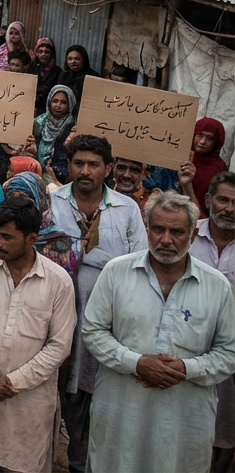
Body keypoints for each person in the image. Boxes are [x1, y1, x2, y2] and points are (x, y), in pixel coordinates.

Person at [83, 192, 235, 473]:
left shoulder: (217, 286)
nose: (166, 240)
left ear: (193, 235)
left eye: (176, 231)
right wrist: (137, 363)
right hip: (120, 410)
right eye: (158, 229)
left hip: (184, 420)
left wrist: (186, 368)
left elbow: (229, 352)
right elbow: (93, 331)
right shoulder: (116, 272)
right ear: (146, 229)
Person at [0, 196, 77, 473]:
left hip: (28, 401)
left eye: (7, 237)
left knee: (24, 461)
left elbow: (59, 346)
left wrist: (12, 382)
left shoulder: (58, 281)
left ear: (32, 237)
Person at [48, 134, 147, 471]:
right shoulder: (53, 202)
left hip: (110, 316)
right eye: (79, 163)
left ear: (108, 169)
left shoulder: (127, 208)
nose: (85, 171)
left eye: (94, 164)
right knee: (63, 387)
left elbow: (139, 262)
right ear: (69, 165)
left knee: (102, 389)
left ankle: (98, 461)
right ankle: (65, 457)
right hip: (59, 313)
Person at [190, 173, 235, 472]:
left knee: (226, 425)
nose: (230, 208)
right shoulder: (186, 234)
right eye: (223, 200)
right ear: (208, 200)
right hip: (187, 346)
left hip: (231, 352)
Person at [179, 117, 229, 216]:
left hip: (197, 217)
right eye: (200, 135)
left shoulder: (218, 168)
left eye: (209, 138)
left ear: (216, 142)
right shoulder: (184, 156)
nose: (202, 142)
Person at [34, 84, 77, 184]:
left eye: (63, 102)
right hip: (38, 172)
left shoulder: (74, 127)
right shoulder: (39, 122)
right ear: (49, 102)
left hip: (63, 176)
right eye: (55, 101)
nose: (58, 105)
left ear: (70, 104)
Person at [57, 44, 96, 111]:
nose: (73, 62)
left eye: (77, 59)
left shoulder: (92, 77)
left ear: (83, 60)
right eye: (69, 59)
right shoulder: (63, 75)